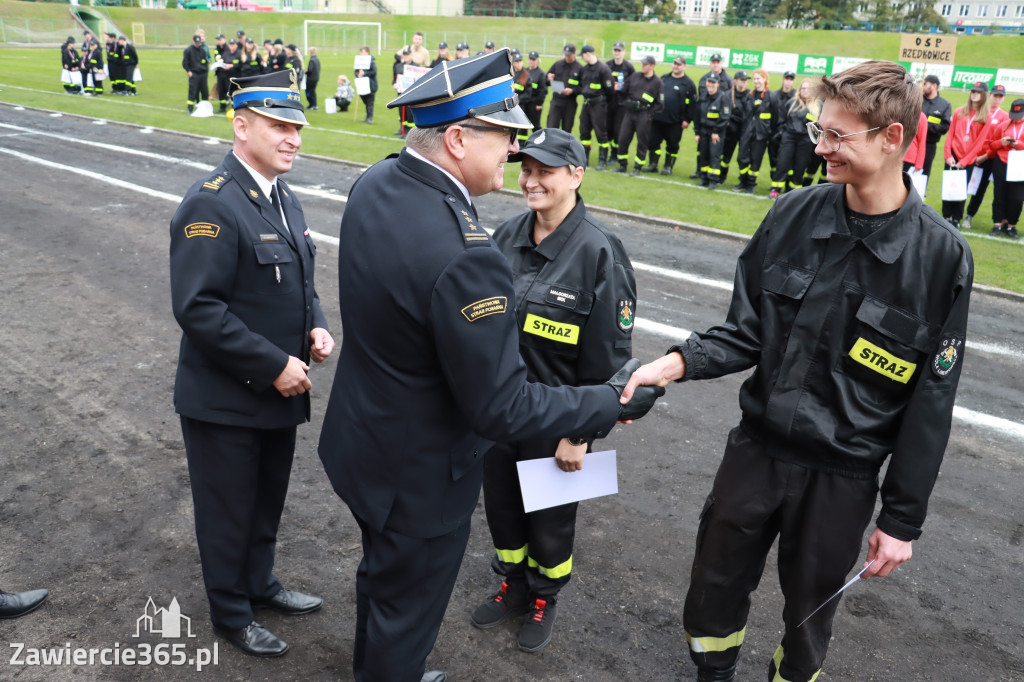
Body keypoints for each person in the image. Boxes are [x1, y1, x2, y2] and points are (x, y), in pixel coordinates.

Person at [317, 49, 663, 682]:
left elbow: (603, 346)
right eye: (505, 137)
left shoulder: (378, 182)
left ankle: (524, 604)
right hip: (424, 468)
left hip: (367, 442)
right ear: (456, 138)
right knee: (405, 609)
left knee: (393, 584)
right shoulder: (474, 247)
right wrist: (611, 404)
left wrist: (581, 432)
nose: (513, 155)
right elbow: (498, 403)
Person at [621, 59, 973, 682]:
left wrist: (900, 519)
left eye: (838, 136)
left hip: (842, 476)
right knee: (713, 585)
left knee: (810, 614)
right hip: (756, 453)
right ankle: (713, 671)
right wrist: (674, 363)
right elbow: (745, 329)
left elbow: (931, 402)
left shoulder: (941, 257)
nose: (820, 147)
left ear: (892, 138)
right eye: (820, 131)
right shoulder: (791, 216)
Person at [169, 70, 333, 658]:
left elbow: (299, 277)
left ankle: (259, 584)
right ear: (241, 127)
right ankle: (231, 612)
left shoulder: (280, 194)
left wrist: (314, 320)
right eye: (279, 126)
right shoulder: (211, 202)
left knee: (265, 500)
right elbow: (198, 309)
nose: (293, 138)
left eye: (297, 127)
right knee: (227, 509)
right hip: (227, 397)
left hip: (276, 390)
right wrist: (272, 364)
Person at [470, 127, 637, 653]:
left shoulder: (600, 252)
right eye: (526, 169)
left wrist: (582, 436)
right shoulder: (506, 236)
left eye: (545, 170)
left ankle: (545, 596)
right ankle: (513, 584)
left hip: (559, 421)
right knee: (501, 508)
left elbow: (611, 361)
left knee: (549, 522)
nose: (531, 180)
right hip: (503, 413)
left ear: (576, 176)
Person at [941, 86, 988, 229]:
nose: (974, 94)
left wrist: (965, 161)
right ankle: (946, 216)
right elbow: (950, 134)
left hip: (967, 159)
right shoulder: (959, 112)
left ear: (984, 95)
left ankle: (956, 218)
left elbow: (979, 143)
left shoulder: (985, 117)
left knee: (961, 189)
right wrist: (948, 155)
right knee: (949, 186)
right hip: (953, 155)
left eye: (978, 92)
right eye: (973, 92)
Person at [964, 84, 1008, 230]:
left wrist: (985, 156)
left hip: (988, 158)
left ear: (1004, 98)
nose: (997, 99)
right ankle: (954, 213)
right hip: (971, 155)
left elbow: (1000, 142)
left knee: (980, 188)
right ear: (989, 96)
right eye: (995, 95)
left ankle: (969, 215)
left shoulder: (1005, 117)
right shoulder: (981, 111)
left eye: (1000, 96)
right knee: (965, 184)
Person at [643, 56, 696, 176]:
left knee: (672, 145)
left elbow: (692, 104)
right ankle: (653, 164)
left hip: (675, 121)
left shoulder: (688, 84)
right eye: (675, 63)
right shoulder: (664, 78)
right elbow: (654, 94)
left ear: (684, 66)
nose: (676, 66)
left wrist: (687, 119)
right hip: (658, 118)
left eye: (679, 64)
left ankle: (668, 166)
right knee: (652, 142)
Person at [611, 55, 664, 176]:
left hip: (644, 114)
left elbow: (660, 104)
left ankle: (637, 167)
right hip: (630, 112)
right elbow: (625, 89)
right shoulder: (635, 76)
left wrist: (650, 114)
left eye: (645, 64)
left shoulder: (657, 82)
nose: (643, 66)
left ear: (652, 66)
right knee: (623, 138)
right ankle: (622, 164)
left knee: (642, 142)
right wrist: (619, 88)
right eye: (642, 64)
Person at [770, 78, 819, 198]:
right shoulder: (791, 102)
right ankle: (775, 188)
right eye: (803, 88)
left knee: (800, 166)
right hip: (789, 137)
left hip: (806, 140)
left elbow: (819, 126)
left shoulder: (818, 106)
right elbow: (782, 119)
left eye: (808, 88)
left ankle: (793, 192)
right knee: (783, 162)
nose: (805, 90)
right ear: (799, 89)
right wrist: (782, 133)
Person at [983, 97, 1024, 239]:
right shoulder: (1004, 125)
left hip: (1019, 164)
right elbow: (991, 145)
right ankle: (997, 223)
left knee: (1017, 198)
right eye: (1014, 116)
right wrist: (1001, 142)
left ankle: (1011, 224)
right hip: (1002, 162)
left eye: (1019, 117)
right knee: (999, 194)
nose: (1016, 119)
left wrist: (1018, 145)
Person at [733, 69, 774, 193]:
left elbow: (775, 117)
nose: (756, 81)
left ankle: (751, 183)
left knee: (756, 160)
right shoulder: (749, 95)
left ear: (765, 79)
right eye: (755, 78)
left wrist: (769, 132)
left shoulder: (770, 97)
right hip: (747, 132)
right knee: (741, 158)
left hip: (761, 134)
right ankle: (743, 181)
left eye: (758, 78)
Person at [692, 54, 732, 178]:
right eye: (713, 62)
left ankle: (715, 178)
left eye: (717, 62)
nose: (715, 64)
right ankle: (702, 174)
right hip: (704, 126)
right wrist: (697, 131)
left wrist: (719, 127)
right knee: (703, 152)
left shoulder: (729, 81)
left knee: (716, 153)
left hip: (719, 125)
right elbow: (699, 108)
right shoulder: (703, 79)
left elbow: (729, 104)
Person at [576, 45, 613, 169]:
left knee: (600, 132)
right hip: (587, 104)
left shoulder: (603, 69)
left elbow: (610, 89)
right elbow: (581, 85)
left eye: (582, 55)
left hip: (599, 105)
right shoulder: (585, 69)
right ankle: (584, 159)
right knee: (584, 131)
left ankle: (602, 161)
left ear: (587, 54)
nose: (581, 57)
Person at [719, 70, 752, 186]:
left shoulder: (750, 94)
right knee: (725, 156)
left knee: (743, 158)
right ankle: (721, 176)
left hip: (745, 130)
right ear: (735, 81)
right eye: (742, 80)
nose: (744, 83)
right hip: (731, 130)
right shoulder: (728, 95)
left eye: (745, 80)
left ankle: (744, 181)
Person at [605, 41, 635, 165]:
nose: (617, 52)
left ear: (624, 52)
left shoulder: (628, 67)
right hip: (608, 102)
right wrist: (611, 86)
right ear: (613, 51)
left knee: (618, 130)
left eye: (619, 50)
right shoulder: (607, 65)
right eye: (615, 50)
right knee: (607, 129)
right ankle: (605, 153)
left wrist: (623, 87)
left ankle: (614, 154)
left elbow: (634, 83)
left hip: (621, 104)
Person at [921, 74, 952, 190]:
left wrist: (926, 127)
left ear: (934, 86)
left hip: (929, 144)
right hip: (912, 143)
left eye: (925, 84)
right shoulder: (917, 99)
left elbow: (944, 127)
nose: (923, 86)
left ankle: (920, 197)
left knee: (924, 172)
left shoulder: (944, 105)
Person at [765, 70, 796, 181]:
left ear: (793, 82)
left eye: (791, 80)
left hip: (788, 134)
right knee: (773, 158)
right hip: (774, 133)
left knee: (787, 160)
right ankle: (774, 180)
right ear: (783, 80)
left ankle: (787, 181)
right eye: (786, 79)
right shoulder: (774, 95)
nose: (788, 82)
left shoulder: (796, 98)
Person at [546, 44, 583, 133]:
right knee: (551, 127)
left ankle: (563, 147)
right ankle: (551, 147)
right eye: (565, 55)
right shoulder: (557, 65)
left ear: (574, 53)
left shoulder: (580, 68)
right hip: (556, 101)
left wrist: (572, 91)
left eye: (569, 55)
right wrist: (549, 79)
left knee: (567, 130)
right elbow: (546, 81)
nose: (567, 57)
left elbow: (583, 87)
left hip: (570, 102)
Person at [521, 51, 548, 134]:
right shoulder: (524, 71)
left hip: (534, 104)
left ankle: (538, 144)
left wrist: (539, 104)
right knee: (522, 125)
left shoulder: (541, 74)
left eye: (533, 59)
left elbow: (543, 90)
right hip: (524, 103)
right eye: (530, 59)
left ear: (537, 60)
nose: (531, 61)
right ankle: (522, 145)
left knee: (535, 125)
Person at [182, 34, 210, 114]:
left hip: (203, 74)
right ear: (193, 41)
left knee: (204, 91)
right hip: (194, 74)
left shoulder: (202, 50)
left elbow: (205, 61)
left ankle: (205, 107)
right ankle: (190, 108)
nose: (198, 44)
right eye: (197, 42)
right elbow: (185, 63)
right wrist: (188, 71)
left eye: (199, 42)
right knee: (193, 91)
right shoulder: (188, 50)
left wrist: (205, 70)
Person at [215, 39, 241, 113]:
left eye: (233, 44)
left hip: (234, 76)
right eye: (230, 44)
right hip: (223, 75)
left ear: (236, 45)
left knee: (233, 93)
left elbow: (240, 64)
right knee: (221, 90)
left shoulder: (239, 53)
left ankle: (234, 108)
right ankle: (222, 107)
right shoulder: (225, 53)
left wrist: (231, 66)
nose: (232, 46)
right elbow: (222, 61)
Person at [393, 47, 414, 135]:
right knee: (401, 112)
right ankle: (402, 128)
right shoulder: (398, 66)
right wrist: (394, 84)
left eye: (407, 55)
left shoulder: (415, 66)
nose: (406, 57)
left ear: (411, 55)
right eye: (404, 55)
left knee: (409, 113)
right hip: (400, 92)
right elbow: (395, 78)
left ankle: (409, 130)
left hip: (411, 94)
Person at [355, 46, 377, 124]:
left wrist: (365, 73)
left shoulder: (372, 62)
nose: (361, 54)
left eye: (362, 52)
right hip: (362, 85)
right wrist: (358, 74)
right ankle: (367, 116)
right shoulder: (359, 62)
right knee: (365, 101)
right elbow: (355, 71)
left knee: (370, 101)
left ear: (367, 53)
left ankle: (370, 117)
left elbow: (374, 72)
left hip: (370, 84)